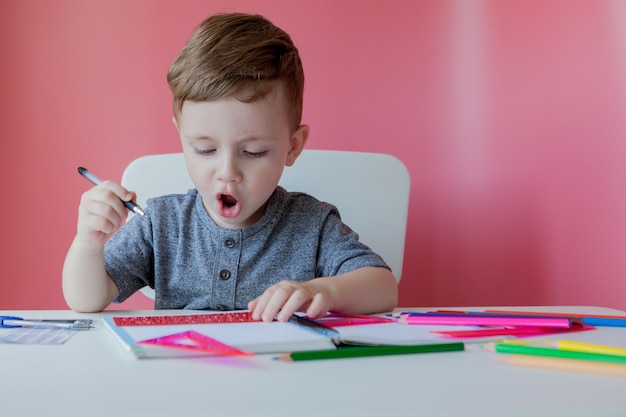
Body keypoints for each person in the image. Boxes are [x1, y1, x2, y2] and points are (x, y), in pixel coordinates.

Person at [62, 12, 398, 321]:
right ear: (182, 139)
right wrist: (88, 244)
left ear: (292, 147)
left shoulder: (312, 224)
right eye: (205, 149)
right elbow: (86, 299)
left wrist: (322, 291)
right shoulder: (161, 224)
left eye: (253, 152)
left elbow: (383, 287)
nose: (227, 172)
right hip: (182, 374)